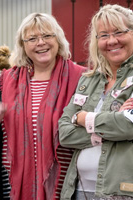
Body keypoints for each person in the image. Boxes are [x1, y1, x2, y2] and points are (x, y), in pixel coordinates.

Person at [0, 12, 85, 200]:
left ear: (58, 39)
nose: (40, 43)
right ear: (23, 46)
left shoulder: (81, 79)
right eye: (32, 38)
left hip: (66, 186)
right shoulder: (6, 81)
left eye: (47, 36)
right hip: (12, 186)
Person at [59, 4, 133, 200]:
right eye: (104, 35)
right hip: (77, 189)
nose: (112, 41)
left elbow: (127, 126)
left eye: (119, 32)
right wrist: (111, 127)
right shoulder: (88, 79)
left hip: (121, 192)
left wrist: (83, 118)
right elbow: (65, 133)